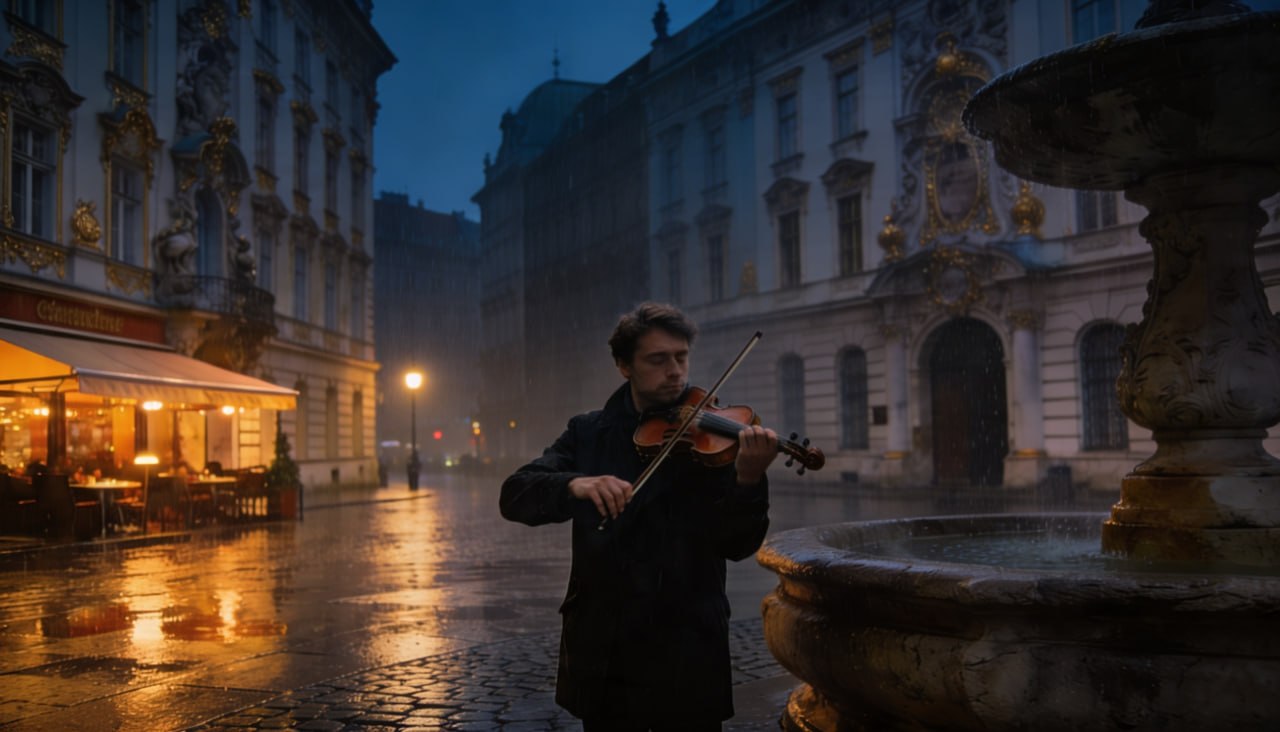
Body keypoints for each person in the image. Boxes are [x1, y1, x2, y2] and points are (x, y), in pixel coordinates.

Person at [499, 302, 779, 731]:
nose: (675, 371)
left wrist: (748, 480)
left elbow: (738, 545)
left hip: (689, 644)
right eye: (657, 359)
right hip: (608, 646)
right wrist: (575, 484)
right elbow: (515, 494)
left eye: (681, 358)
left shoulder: (712, 440)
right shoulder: (589, 432)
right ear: (623, 365)